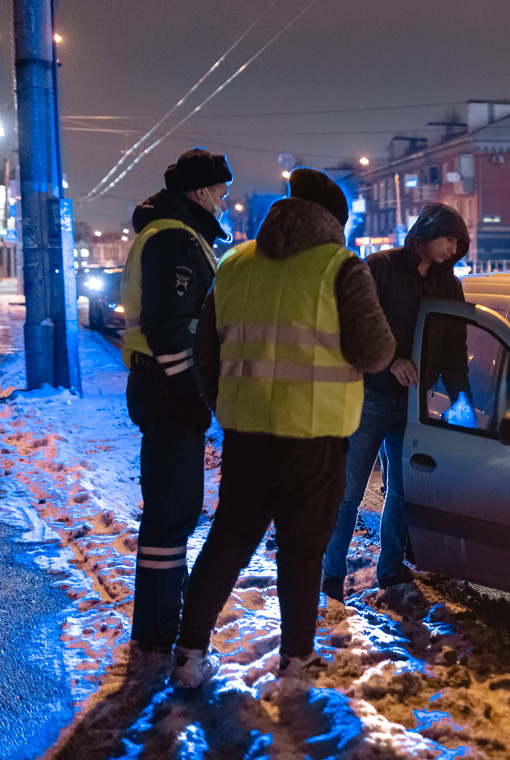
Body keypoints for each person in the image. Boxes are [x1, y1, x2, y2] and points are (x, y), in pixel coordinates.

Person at [170, 169, 395, 688]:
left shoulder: (235, 263)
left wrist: (228, 407)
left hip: (247, 435)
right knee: (302, 550)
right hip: (315, 439)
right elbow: (375, 351)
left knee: (227, 541)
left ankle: (188, 655)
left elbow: (206, 351)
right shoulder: (340, 268)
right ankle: (296, 661)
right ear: (333, 221)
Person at [320, 202, 470, 602]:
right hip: (369, 397)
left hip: (415, 406)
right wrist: (389, 361)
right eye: (448, 238)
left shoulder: (450, 286)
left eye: (459, 241)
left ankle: (389, 569)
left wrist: (460, 396)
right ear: (425, 234)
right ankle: (330, 572)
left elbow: (456, 345)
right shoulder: (381, 268)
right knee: (349, 491)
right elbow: (353, 326)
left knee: (403, 492)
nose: (453, 248)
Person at [120, 147, 232, 657]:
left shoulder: (174, 233)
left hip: (162, 389)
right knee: (171, 514)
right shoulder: (174, 240)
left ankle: (162, 617)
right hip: (169, 392)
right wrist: (192, 389)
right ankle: (159, 627)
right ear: (199, 192)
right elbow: (169, 328)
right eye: (220, 191)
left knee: (174, 511)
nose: (224, 200)